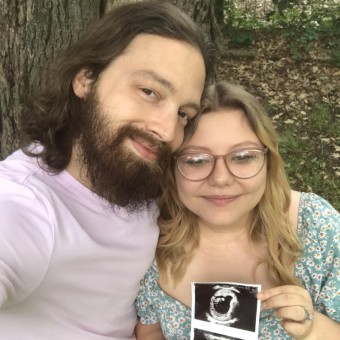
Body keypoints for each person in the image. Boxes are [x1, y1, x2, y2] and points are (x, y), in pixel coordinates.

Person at [0, 1, 216, 339]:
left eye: (184, 113)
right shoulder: (28, 208)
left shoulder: (143, 178)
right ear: (86, 79)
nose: (168, 130)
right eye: (149, 91)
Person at [135, 82, 340, 339]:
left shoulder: (317, 228)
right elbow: (150, 329)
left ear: (268, 161)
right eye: (196, 160)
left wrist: (313, 328)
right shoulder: (150, 236)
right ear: (172, 169)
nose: (220, 179)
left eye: (242, 157)